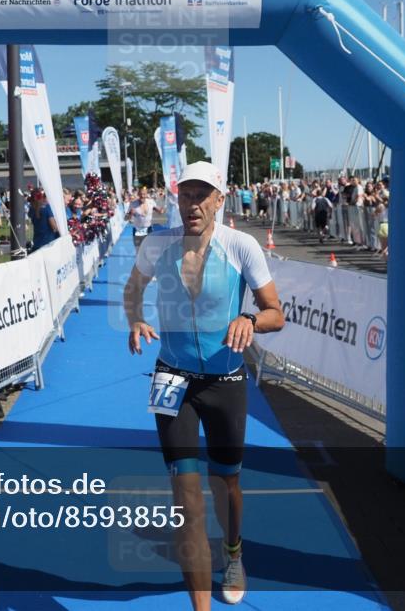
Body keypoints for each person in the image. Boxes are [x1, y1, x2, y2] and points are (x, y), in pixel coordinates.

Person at [123, 161, 285, 610]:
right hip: (170, 377)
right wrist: (135, 319)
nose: (192, 204)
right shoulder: (158, 244)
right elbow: (133, 289)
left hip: (224, 380)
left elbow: (276, 313)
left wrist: (250, 319)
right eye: (186, 195)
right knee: (186, 498)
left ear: (219, 200)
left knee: (225, 484)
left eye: (202, 195)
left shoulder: (240, 245)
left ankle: (233, 554)